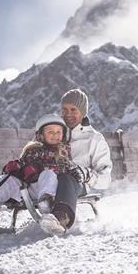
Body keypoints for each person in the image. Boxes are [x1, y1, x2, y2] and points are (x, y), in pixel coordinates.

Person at [39, 89, 112, 235]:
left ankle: (61, 217)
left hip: (77, 183)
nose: (68, 114)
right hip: (47, 179)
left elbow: (105, 179)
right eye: (64, 110)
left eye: (73, 109)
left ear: (83, 112)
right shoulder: (54, 132)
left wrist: (86, 174)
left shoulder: (94, 139)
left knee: (66, 177)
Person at [0, 114, 72, 223]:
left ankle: (46, 201)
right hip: (29, 189)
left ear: (63, 134)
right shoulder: (32, 150)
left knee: (48, 173)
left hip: (52, 189)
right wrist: (15, 168)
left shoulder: (63, 152)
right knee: (11, 179)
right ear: (41, 135)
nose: (55, 135)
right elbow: (22, 165)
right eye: (50, 132)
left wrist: (41, 168)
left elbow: (66, 171)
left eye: (58, 132)